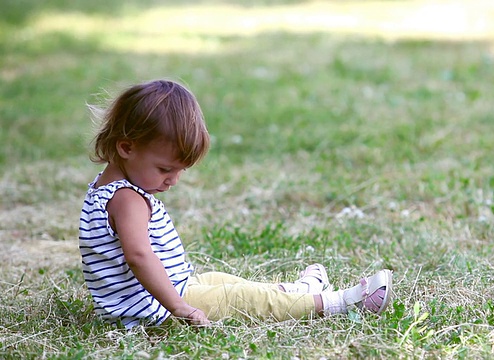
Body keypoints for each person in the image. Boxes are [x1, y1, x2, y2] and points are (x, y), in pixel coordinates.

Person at [78, 79, 393, 329]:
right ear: (126, 147)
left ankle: (301, 290)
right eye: (165, 169)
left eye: (179, 171)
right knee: (242, 299)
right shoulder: (126, 199)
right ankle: (342, 302)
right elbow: (138, 255)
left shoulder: (110, 189)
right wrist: (179, 306)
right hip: (151, 310)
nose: (173, 180)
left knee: (222, 282)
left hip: (166, 292)